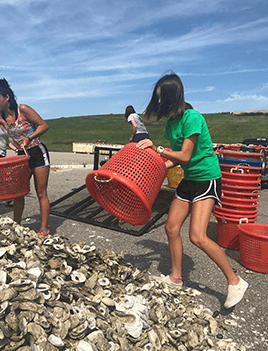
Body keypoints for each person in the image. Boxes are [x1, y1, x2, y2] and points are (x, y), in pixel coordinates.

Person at [136, 73, 248, 309]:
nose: (157, 103)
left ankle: (235, 281)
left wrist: (158, 148)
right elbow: (174, 161)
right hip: (189, 178)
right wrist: (151, 170)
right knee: (171, 227)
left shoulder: (192, 118)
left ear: (171, 98)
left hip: (206, 178)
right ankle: (176, 278)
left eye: (160, 99)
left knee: (197, 236)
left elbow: (185, 155)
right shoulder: (172, 122)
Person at [0, 78, 51, 236]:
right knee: (18, 192)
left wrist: (29, 137)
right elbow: (6, 138)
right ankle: (16, 226)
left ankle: (44, 229)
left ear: (7, 97)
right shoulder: (1, 118)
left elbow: (44, 125)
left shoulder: (23, 110)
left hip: (37, 151)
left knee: (40, 192)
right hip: (22, 156)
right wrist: (12, 145)